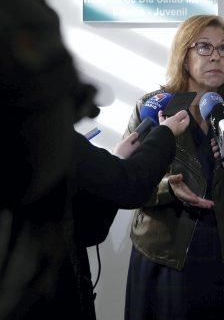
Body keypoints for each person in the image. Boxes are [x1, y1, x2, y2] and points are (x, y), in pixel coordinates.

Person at [124, 14, 224, 320]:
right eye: (204, 47)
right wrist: (168, 187)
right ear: (183, 56)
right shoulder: (154, 106)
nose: (216, 56)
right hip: (165, 255)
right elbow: (126, 181)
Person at [69, 110, 191, 319]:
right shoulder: (44, 132)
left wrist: (117, 158)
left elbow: (87, 224)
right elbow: (130, 184)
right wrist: (164, 133)